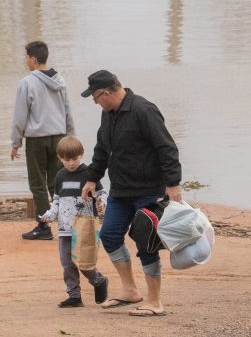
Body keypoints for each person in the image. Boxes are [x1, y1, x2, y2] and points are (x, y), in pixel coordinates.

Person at [79, 70, 182, 318]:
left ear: (105, 93)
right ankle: (130, 291)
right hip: (121, 191)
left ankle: (154, 301)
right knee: (110, 235)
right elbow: (102, 148)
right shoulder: (108, 114)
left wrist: (173, 184)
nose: (95, 103)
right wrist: (92, 177)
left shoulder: (144, 110)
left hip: (148, 191)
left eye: (95, 98)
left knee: (146, 243)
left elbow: (167, 148)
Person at [11, 40, 75, 241]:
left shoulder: (27, 82)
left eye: (26, 58)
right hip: (59, 137)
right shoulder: (60, 80)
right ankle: (66, 224)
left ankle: (44, 226)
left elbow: (20, 116)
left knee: (38, 183)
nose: (25, 62)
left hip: (37, 140)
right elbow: (67, 110)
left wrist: (15, 142)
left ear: (33, 59)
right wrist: (71, 137)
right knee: (57, 182)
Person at [38, 135, 110, 308]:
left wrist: (102, 202)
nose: (71, 163)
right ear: (60, 158)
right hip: (65, 229)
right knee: (67, 263)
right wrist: (50, 215)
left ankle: (99, 280)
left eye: (75, 159)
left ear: (81, 155)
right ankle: (74, 296)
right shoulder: (60, 176)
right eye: (67, 159)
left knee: (84, 263)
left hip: (84, 227)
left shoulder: (89, 173)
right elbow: (57, 201)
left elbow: (102, 194)